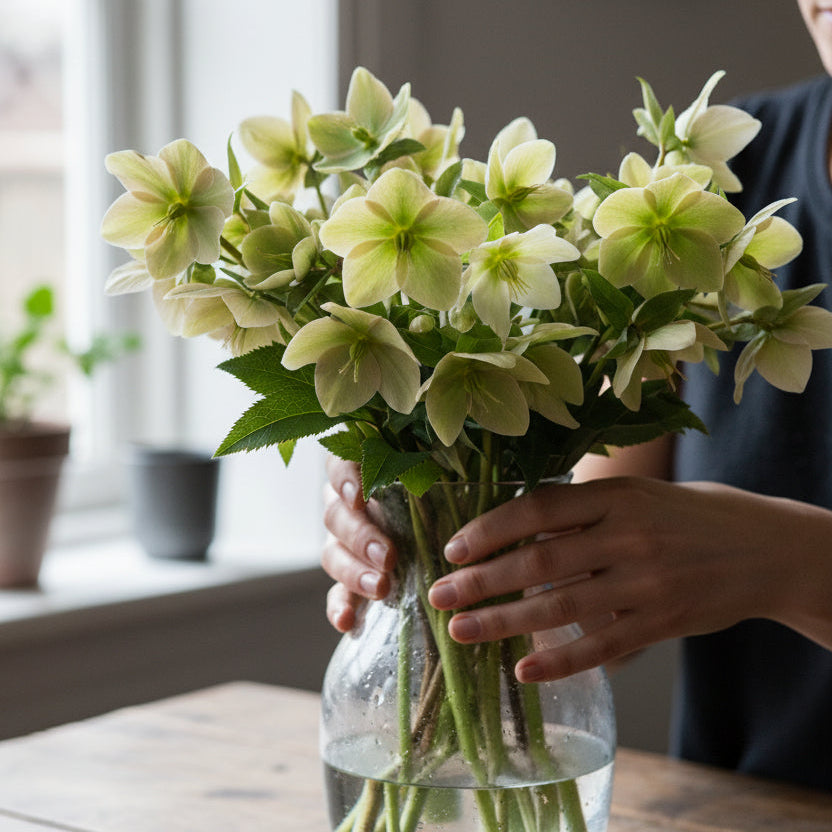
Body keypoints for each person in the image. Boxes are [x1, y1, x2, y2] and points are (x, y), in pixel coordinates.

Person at [320, 1, 832, 792]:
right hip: (744, 808)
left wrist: (794, 565)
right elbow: (584, 601)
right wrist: (420, 521)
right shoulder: (725, 180)